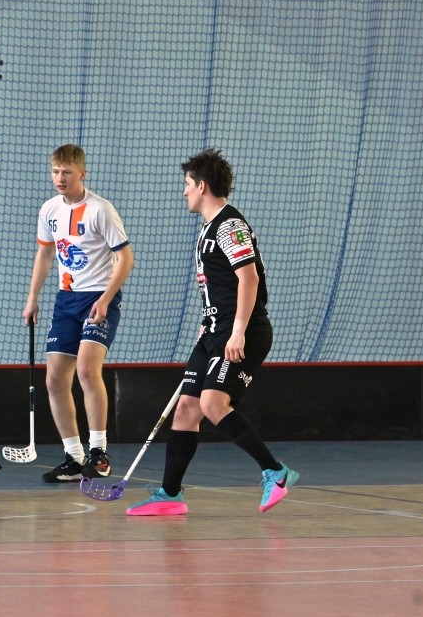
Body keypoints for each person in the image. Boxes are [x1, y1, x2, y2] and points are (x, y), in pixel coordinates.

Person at [127, 148, 298, 517]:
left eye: (187, 184)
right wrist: (208, 320)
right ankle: (170, 494)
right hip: (215, 330)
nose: (184, 191)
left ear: (202, 186)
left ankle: (275, 471)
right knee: (186, 409)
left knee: (212, 404)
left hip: (242, 331)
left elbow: (248, 278)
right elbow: (220, 285)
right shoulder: (209, 227)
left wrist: (237, 332)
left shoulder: (229, 226)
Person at [22, 144, 134, 484]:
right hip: (65, 300)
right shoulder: (49, 209)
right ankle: (74, 457)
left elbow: (125, 258)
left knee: (86, 369)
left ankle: (99, 453)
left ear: (82, 173)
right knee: (55, 378)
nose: (60, 178)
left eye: (67, 172)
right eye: (55, 171)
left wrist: (106, 298)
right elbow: (45, 255)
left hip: (98, 298)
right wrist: (32, 299)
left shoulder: (101, 209)